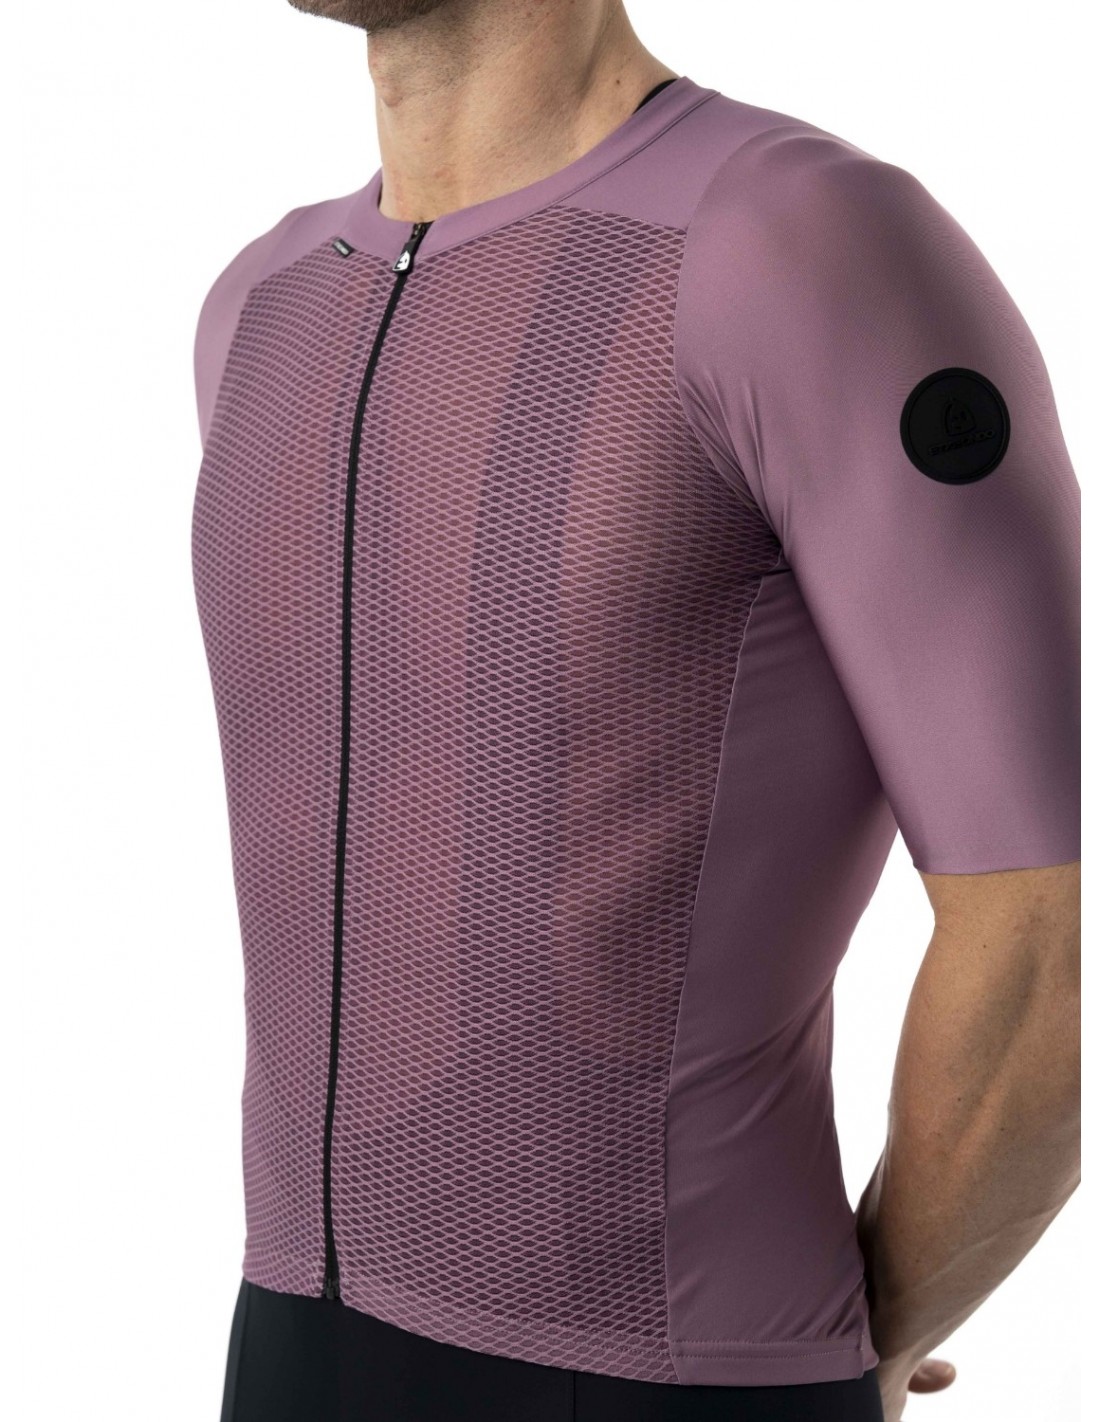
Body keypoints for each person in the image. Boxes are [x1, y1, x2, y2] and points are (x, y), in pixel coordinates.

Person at [191, 3, 1081, 1419]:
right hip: (291, 1343)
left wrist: (850, 1348)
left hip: (670, 1375)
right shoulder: (266, 304)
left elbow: (1033, 937)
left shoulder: (803, 245)